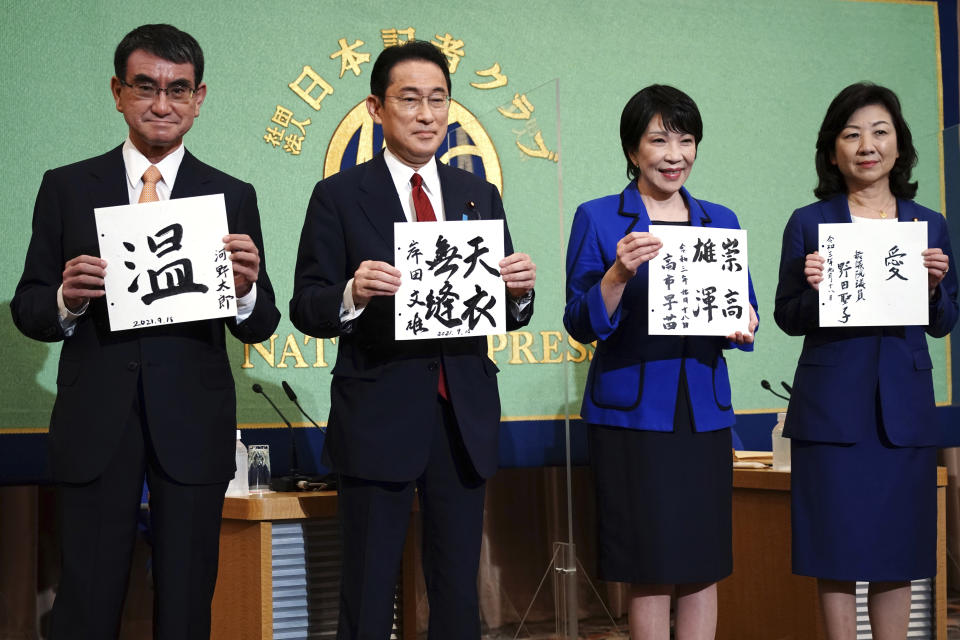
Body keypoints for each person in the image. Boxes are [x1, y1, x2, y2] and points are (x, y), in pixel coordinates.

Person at [10, 24, 280, 640]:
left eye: (178, 89)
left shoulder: (232, 195)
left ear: (199, 97)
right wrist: (65, 300)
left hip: (193, 424)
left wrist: (245, 292)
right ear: (118, 92)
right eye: (147, 87)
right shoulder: (68, 186)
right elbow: (29, 308)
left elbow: (263, 322)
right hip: (95, 421)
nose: (163, 104)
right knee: (86, 601)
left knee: (187, 602)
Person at [289, 40, 536, 639]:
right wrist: (352, 292)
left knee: (456, 590)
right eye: (410, 100)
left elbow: (506, 309)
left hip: (461, 415)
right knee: (370, 586)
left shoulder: (479, 194)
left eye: (438, 100)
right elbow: (306, 305)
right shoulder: (340, 196)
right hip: (378, 410)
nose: (427, 115)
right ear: (376, 108)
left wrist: (521, 291)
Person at [564, 84, 758, 640]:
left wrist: (744, 322)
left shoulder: (719, 220)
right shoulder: (601, 218)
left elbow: (744, 312)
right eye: (659, 140)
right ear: (632, 150)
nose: (675, 155)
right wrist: (618, 275)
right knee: (647, 566)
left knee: (703, 563)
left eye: (686, 140)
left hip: (701, 410)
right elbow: (580, 321)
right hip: (631, 413)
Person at [774, 82, 957, 639]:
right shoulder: (809, 223)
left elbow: (944, 322)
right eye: (851, 135)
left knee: (896, 552)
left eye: (880, 132)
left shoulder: (928, 225)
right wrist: (811, 290)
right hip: (831, 412)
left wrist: (931, 288)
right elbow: (786, 315)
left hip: (901, 412)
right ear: (833, 151)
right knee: (834, 552)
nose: (867, 145)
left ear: (900, 145)